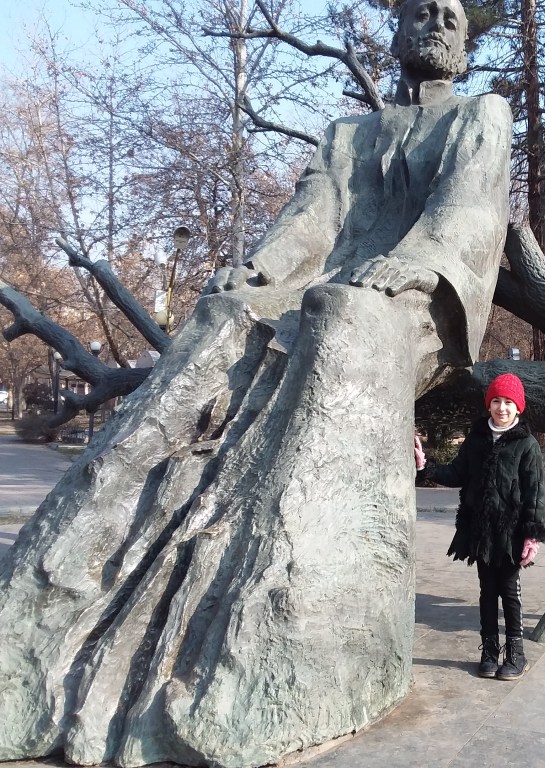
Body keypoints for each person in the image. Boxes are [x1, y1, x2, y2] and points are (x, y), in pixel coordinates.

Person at [0, 1, 514, 763]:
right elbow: (313, 213)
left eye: (449, 17)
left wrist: (414, 264)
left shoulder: (481, 115)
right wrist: (260, 268)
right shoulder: (348, 132)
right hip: (328, 281)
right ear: (396, 31)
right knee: (223, 314)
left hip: (419, 299)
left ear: (466, 44)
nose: (434, 24)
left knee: (342, 314)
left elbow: (467, 212)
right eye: (419, 13)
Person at [418, 373, 545, 680]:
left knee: (509, 592)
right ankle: (489, 652)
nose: (502, 408)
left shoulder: (527, 445)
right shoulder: (476, 439)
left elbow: (535, 493)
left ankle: (516, 654)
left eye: (508, 402)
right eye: (496, 401)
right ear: (488, 405)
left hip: (511, 532)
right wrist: (425, 466)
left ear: (518, 408)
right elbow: (456, 473)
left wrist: (532, 536)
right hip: (481, 530)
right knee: (487, 591)